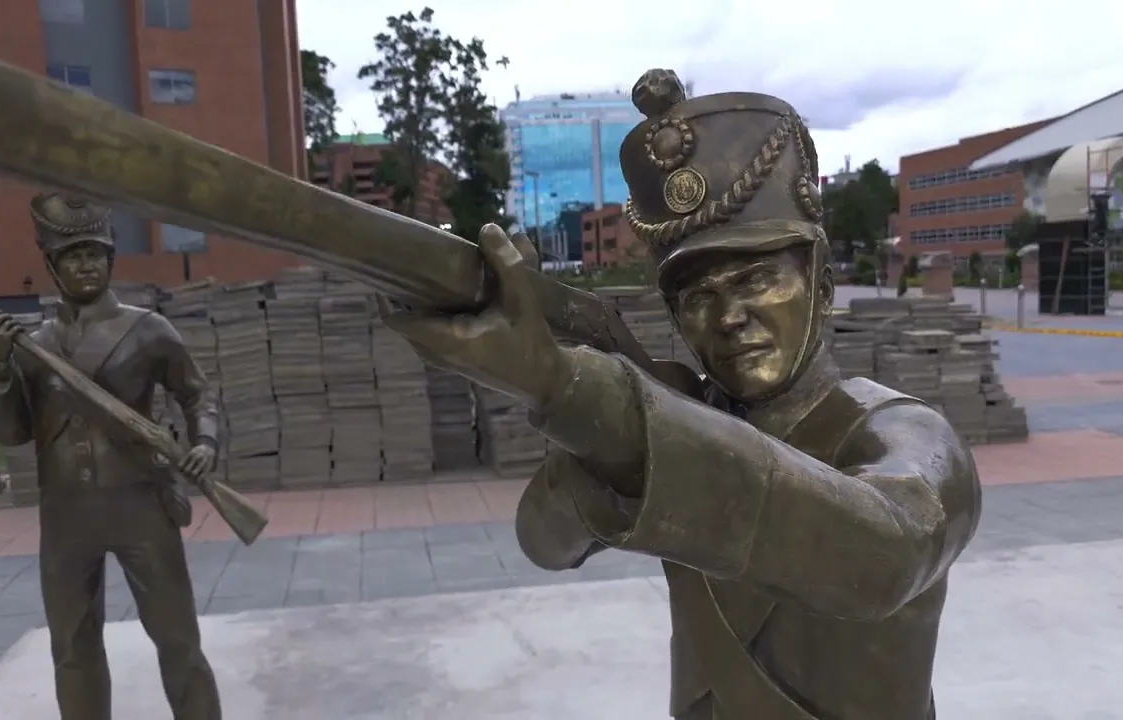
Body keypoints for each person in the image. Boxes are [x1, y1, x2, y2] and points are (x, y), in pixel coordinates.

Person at [380, 70, 982, 719]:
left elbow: (886, 555)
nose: (728, 317)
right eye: (698, 298)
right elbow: (545, 541)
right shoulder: (673, 417)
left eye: (756, 279)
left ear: (824, 287)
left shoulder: (907, 434)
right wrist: (600, 435)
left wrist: (571, 389)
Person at [0, 193, 223, 720]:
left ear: (111, 259)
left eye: (95, 253)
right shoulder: (35, 344)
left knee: (178, 640)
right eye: (73, 256)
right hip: (66, 513)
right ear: (52, 266)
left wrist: (204, 442)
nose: (87, 265)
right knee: (72, 648)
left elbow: (198, 394)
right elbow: (13, 433)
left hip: (140, 504)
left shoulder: (148, 329)